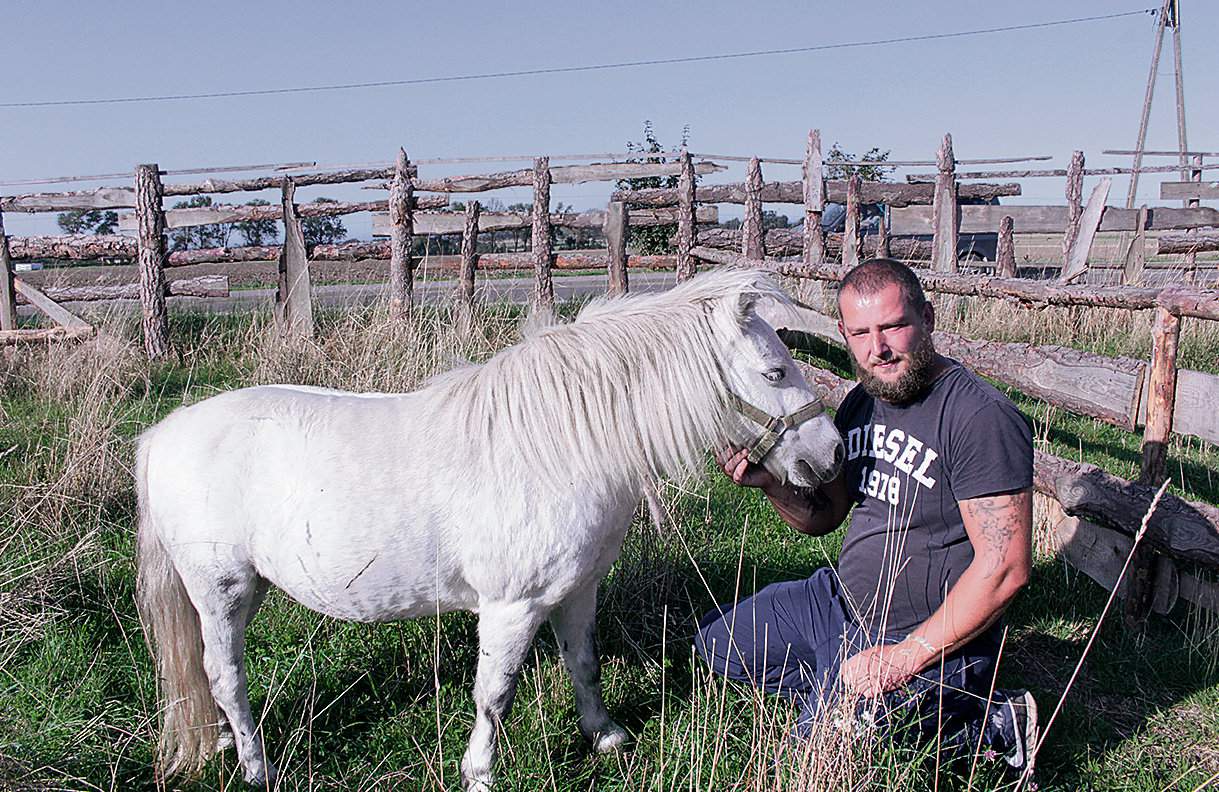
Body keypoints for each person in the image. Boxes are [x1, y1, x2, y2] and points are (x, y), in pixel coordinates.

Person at [696, 258, 1038, 772]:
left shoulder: (978, 417)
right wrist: (768, 485)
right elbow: (825, 515)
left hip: (920, 635)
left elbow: (1005, 567)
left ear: (927, 317)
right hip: (836, 604)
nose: (877, 349)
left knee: (821, 758)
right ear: (844, 334)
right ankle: (848, 689)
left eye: (893, 326)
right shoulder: (861, 403)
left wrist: (901, 660)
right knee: (714, 645)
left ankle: (987, 726)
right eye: (860, 333)